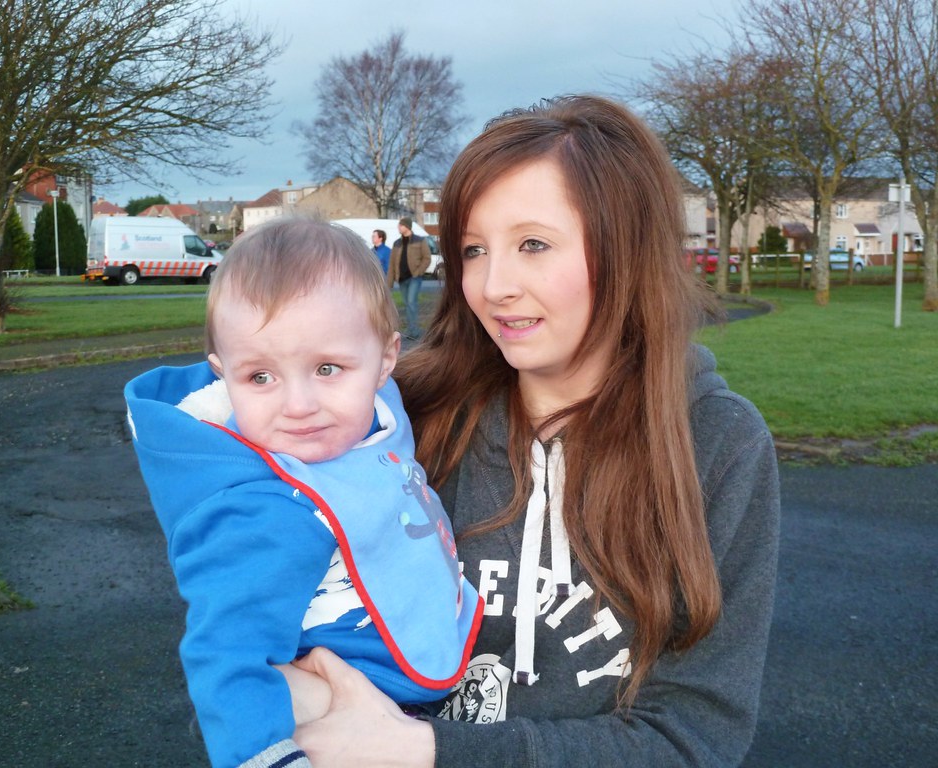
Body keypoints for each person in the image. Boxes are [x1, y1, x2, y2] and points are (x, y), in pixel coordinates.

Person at [288, 95, 781, 767]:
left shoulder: (718, 444)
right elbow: (268, 610)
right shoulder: (401, 416)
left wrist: (424, 751)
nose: (493, 286)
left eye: (532, 245)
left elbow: (692, 735)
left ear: (625, 250)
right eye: (472, 250)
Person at [124, 217, 483, 768]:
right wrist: (270, 758)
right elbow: (226, 657)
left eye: (327, 368)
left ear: (385, 360)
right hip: (345, 711)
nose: (298, 404)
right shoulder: (265, 509)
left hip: (411, 676)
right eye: (260, 377)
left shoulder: (376, 414)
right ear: (223, 375)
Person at [386, 216, 431, 339]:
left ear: (407, 226)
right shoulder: (397, 243)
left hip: (414, 277)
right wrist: (389, 283)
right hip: (401, 278)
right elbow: (391, 264)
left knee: (411, 302)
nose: (398, 227)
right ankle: (412, 328)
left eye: (400, 225)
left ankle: (414, 330)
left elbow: (427, 258)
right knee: (407, 304)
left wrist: (418, 272)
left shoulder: (420, 240)